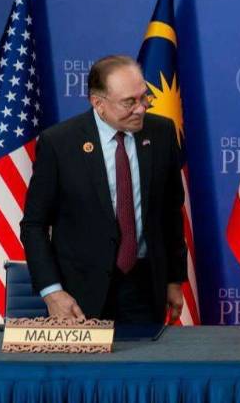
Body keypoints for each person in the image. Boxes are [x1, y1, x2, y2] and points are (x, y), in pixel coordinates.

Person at [20, 55, 187, 323]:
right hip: (78, 295)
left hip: (145, 289)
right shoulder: (59, 143)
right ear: (98, 103)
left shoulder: (161, 133)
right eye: (129, 102)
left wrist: (174, 279)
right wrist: (52, 292)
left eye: (143, 97)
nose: (141, 109)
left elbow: (170, 213)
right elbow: (34, 225)